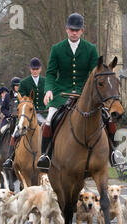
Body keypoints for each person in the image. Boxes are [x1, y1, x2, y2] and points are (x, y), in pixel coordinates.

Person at [37, 12, 99, 171]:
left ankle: (113, 153)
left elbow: (94, 74)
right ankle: (45, 155)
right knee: (50, 119)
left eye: (77, 30)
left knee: (105, 116)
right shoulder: (57, 49)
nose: (74, 32)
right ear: (66, 29)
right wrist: (49, 89)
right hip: (60, 94)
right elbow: (51, 73)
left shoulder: (91, 49)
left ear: (82, 31)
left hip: (84, 94)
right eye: (71, 29)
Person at [18, 57, 47, 124]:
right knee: (18, 129)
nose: (35, 71)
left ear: (40, 69)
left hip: (44, 113)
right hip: (28, 112)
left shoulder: (46, 81)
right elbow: (22, 99)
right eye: (33, 69)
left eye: (37, 69)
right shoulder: (23, 82)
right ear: (30, 69)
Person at [2, 77, 21, 168]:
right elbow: (3, 108)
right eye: (16, 86)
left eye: (19, 85)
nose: (18, 87)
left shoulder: (23, 94)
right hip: (9, 118)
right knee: (2, 131)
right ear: (13, 87)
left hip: (20, 118)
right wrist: (9, 114)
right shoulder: (7, 96)